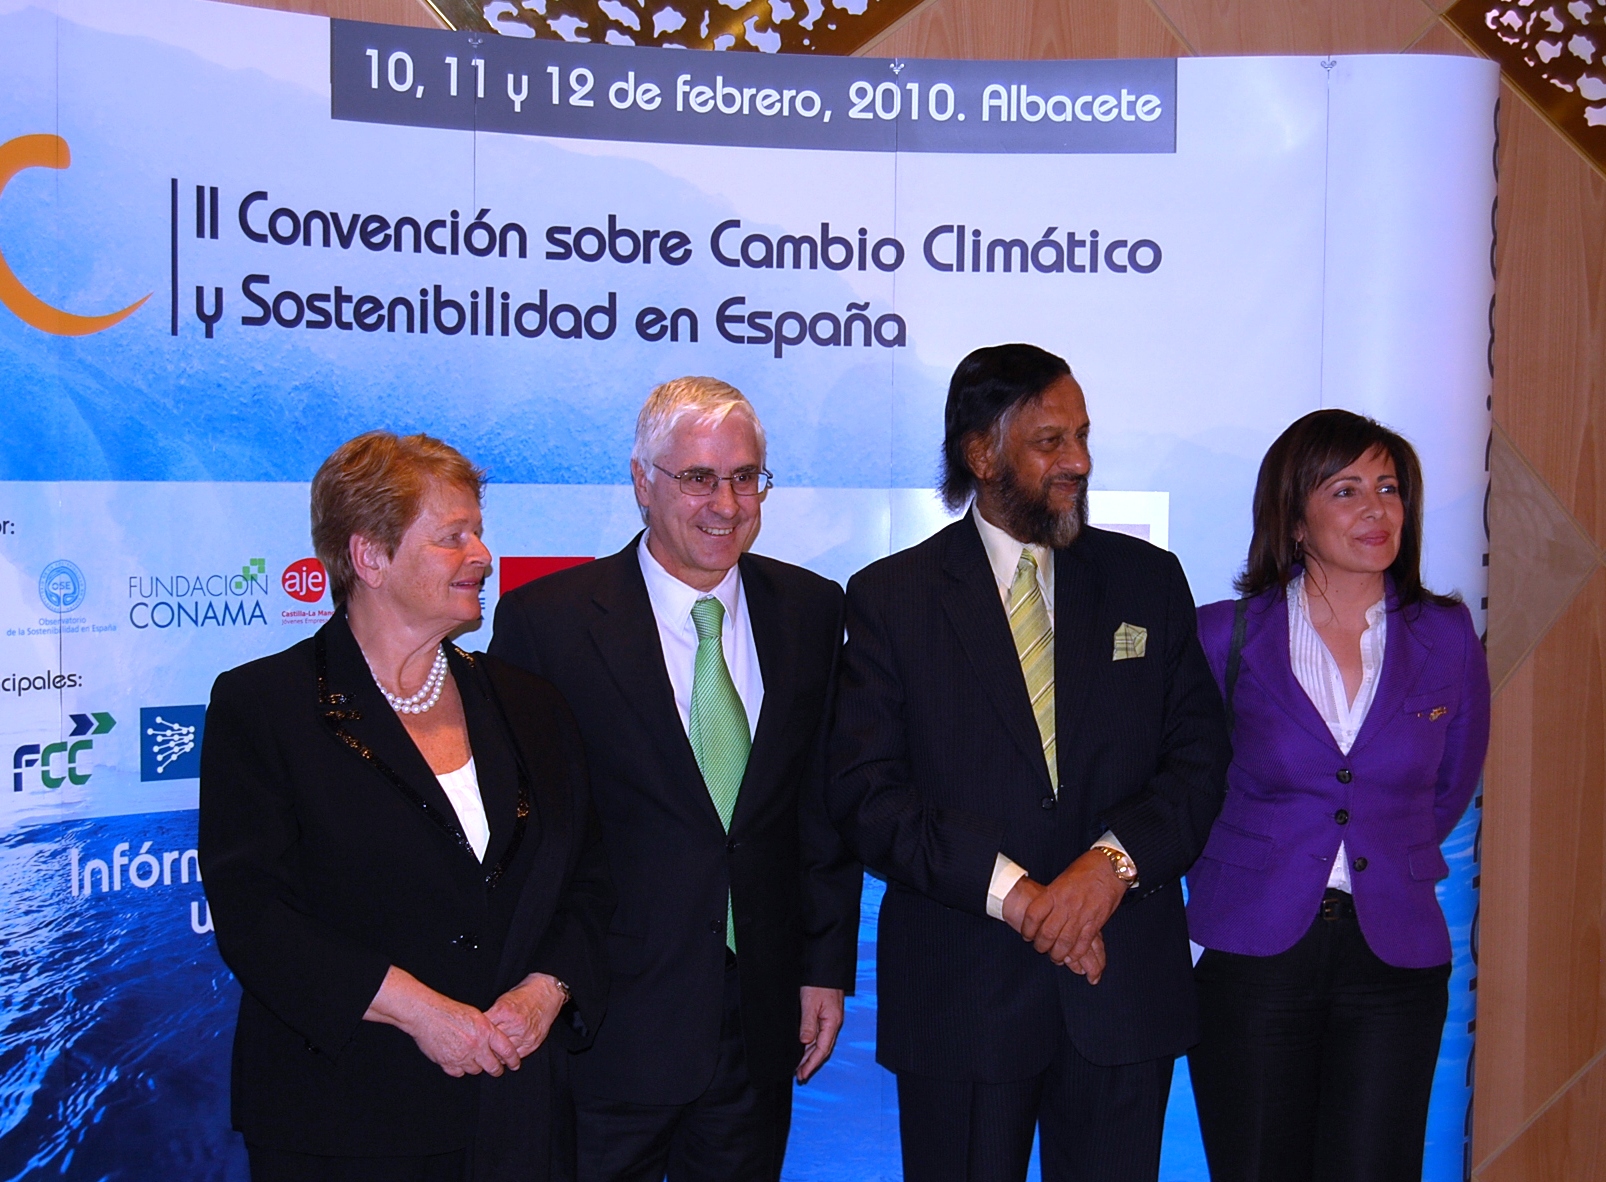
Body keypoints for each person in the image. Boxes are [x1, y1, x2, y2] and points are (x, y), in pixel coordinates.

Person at [827, 343, 1231, 1182]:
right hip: (963, 999)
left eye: (1081, 436)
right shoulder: (890, 598)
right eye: (1051, 441)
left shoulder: (1147, 582)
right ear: (981, 453)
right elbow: (871, 798)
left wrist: (1108, 871)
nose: (1078, 461)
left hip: (1122, 996)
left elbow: (1197, 761)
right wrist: (1031, 902)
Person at [200, 431, 612, 1182]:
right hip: (342, 1116)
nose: (483, 555)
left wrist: (546, 989)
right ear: (370, 558)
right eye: (454, 537)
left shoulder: (530, 704)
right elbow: (255, 915)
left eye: (479, 532)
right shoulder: (263, 706)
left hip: (517, 1114)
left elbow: (589, 879)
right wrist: (424, 1013)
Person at [489, 377, 861, 1182]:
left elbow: (820, 809)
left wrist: (824, 966)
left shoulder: (812, 609)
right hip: (604, 1022)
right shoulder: (545, 624)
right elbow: (526, 838)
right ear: (642, 482)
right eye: (699, 478)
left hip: (759, 1023)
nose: (726, 503)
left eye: (746, 476)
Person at [1187, 409, 1490, 1182]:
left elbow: (1451, 781)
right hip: (1256, 954)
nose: (1377, 509)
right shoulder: (1224, 636)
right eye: (1348, 489)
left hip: (1394, 960)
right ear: (1293, 517)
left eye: (1389, 488)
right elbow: (1188, 782)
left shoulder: (1448, 635)